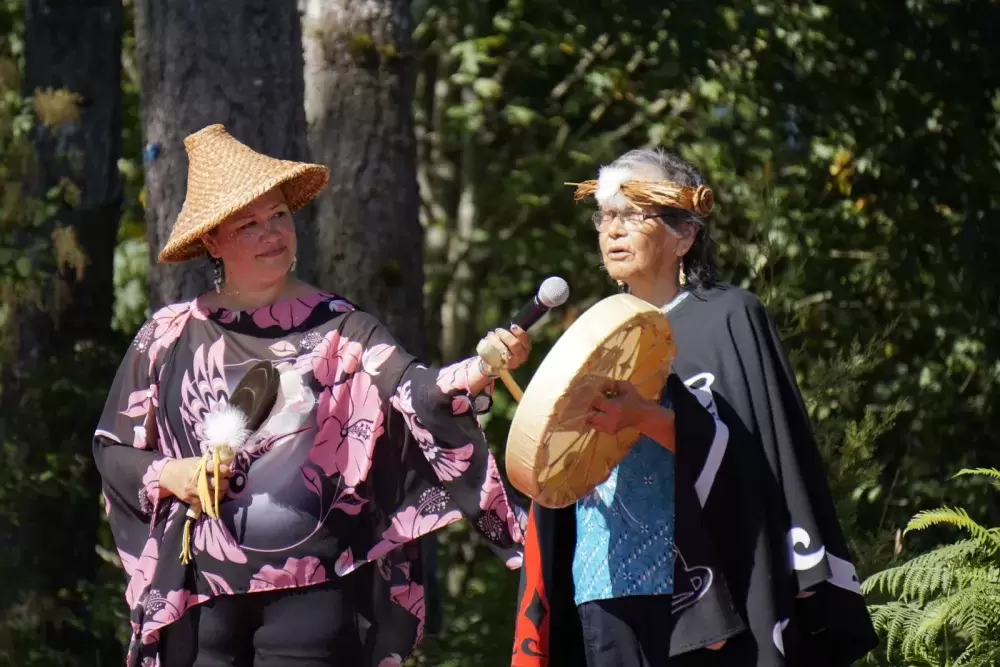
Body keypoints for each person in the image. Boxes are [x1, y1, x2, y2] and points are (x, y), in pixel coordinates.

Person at [94, 124, 531, 667]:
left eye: (278, 215)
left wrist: (477, 369)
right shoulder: (167, 335)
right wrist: (174, 475)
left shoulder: (343, 328)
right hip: (199, 590)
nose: (271, 232)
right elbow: (113, 450)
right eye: (248, 224)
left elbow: (415, 389)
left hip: (317, 585)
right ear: (212, 240)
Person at [511, 149, 877, 666]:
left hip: (703, 588)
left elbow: (758, 468)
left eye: (634, 214)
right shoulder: (594, 338)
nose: (614, 229)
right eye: (606, 215)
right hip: (602, 578)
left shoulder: (729, 317)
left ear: (685, 235)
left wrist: (645, 416)